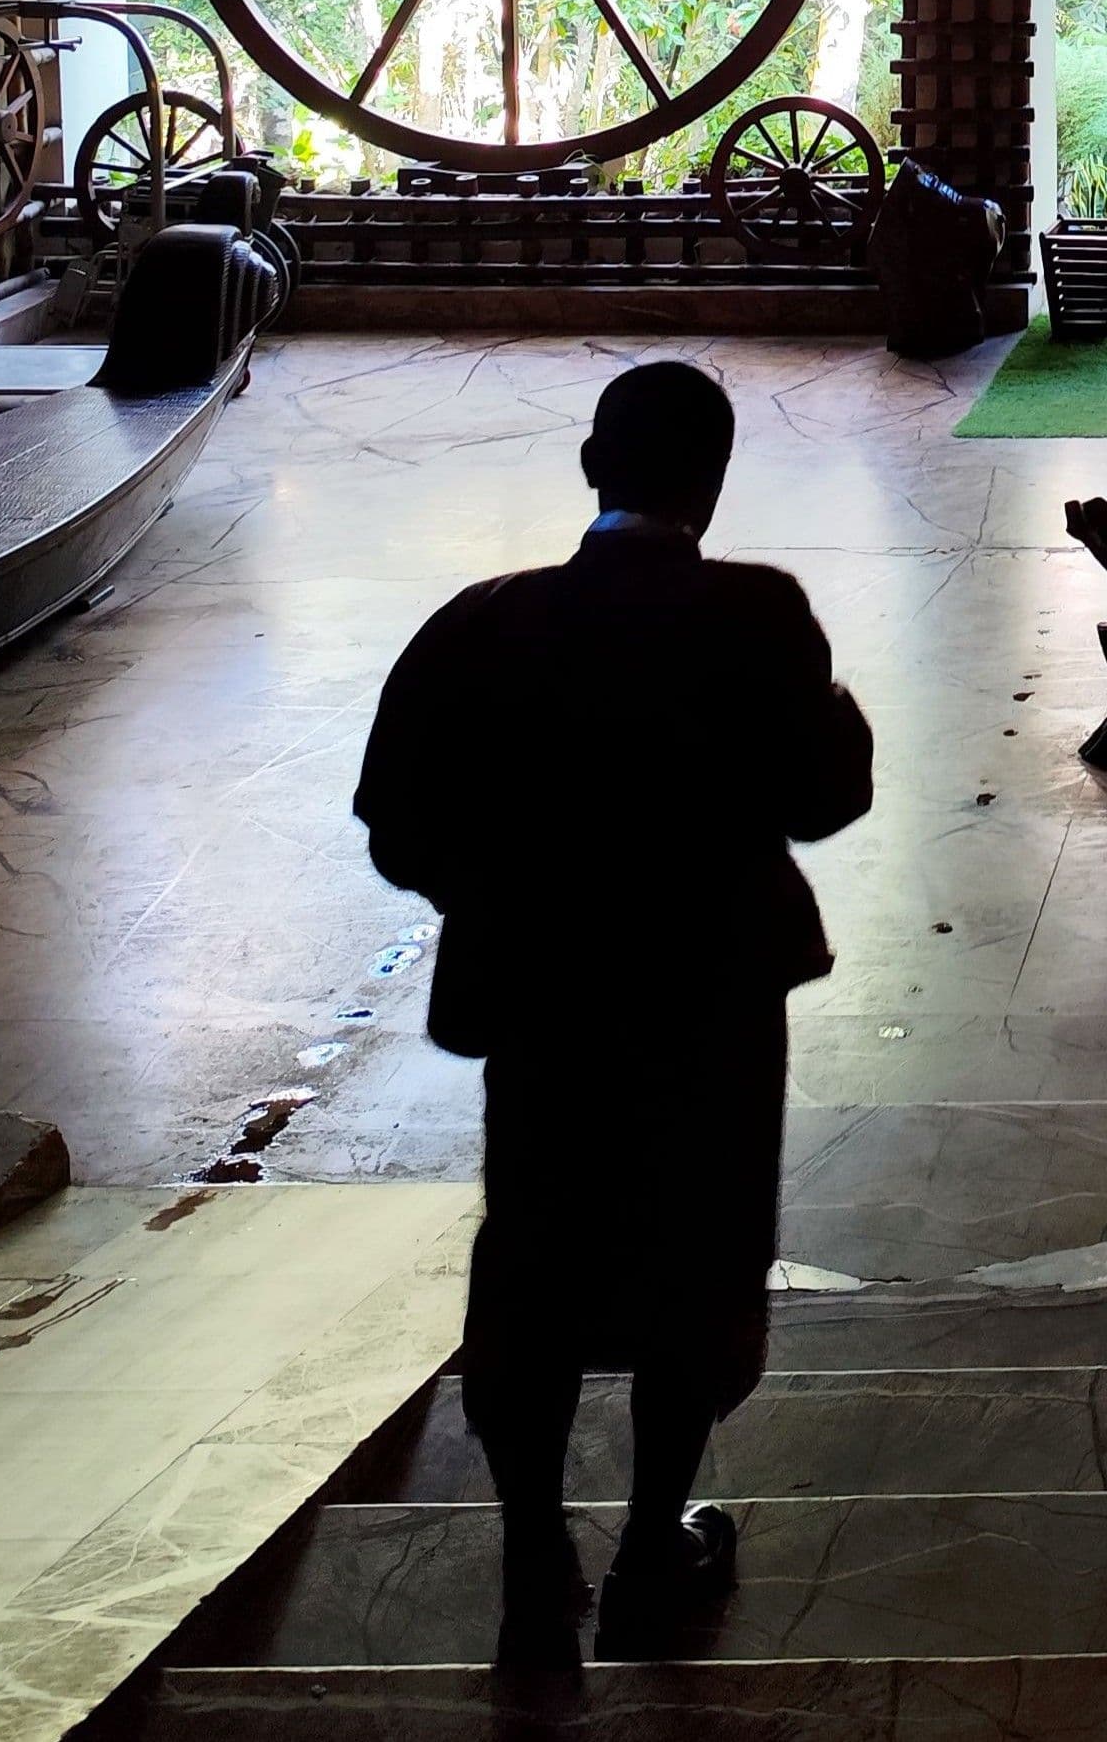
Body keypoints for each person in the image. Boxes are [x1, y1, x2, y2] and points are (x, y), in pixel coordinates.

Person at [353, 362, 873, 1671]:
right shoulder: (758, 617)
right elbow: (822, 799)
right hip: (712, 998)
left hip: (540, 1001)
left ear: (592, 465)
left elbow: (393, 822)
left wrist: (505, 894)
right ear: (712, 480)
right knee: (698, 1247)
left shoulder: (481, 624)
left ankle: (537, 1551)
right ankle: (652, 1539)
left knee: (534, 1247)